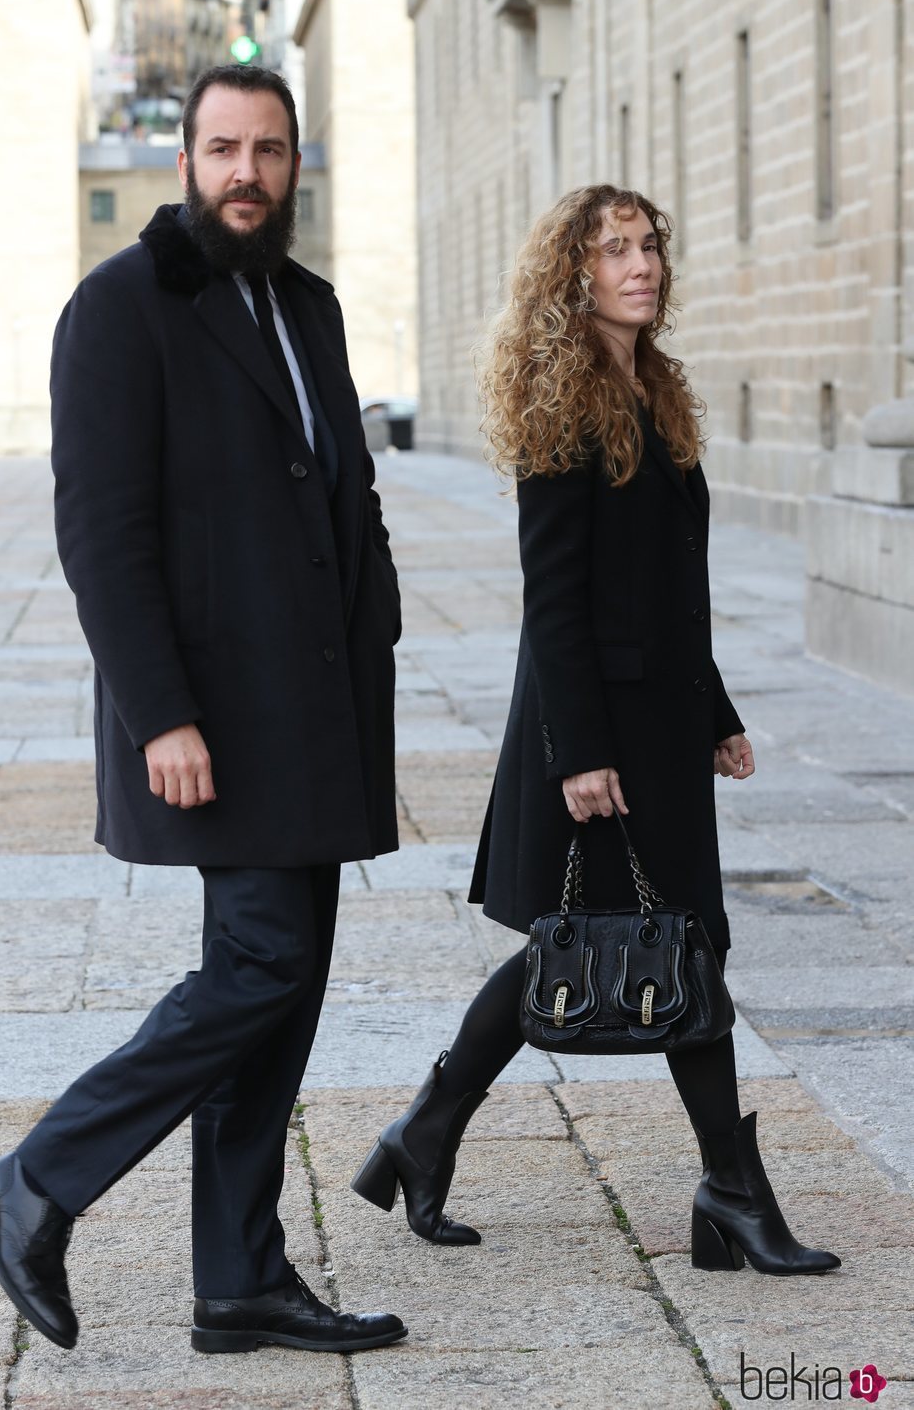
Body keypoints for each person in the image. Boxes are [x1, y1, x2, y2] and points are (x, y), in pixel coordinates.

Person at [0, 65, 407, 1355]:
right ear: (183, 162)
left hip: (320, 707)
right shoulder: (118, 309)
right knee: (259, 965)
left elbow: (345, 492)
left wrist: (373, 632)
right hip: (212, 714)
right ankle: (39, 1177)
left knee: (286, 986)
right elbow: (101, 533)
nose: (245, 173)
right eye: (223, 148)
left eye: (268, 151)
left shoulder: (308, 304)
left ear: (290, 167)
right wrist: (160, 712)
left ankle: (238, 1279)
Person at [352, 184, 841, 1277]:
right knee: (676, 941)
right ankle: (730, 1193)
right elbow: (554, 598)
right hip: (599, 726)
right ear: (570, 275)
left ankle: (424, 1132)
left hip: (661, 719)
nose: (639, 265)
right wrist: (578, 753)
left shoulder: (651, 386)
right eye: (614, 249)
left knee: (603, 942)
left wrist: (711, 710)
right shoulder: (564, 401)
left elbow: (670, 585)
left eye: (647, 246)